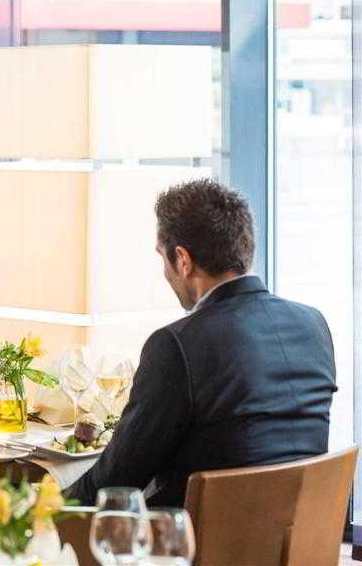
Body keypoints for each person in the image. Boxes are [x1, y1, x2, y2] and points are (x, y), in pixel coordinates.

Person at [67, 178, 337, 507]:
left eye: (163, 257)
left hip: (196, 536)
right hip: (303, 533)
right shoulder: (313, 325)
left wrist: (37, 506)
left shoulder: (175, 346)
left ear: (183, 259)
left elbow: (117, 480)